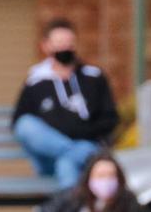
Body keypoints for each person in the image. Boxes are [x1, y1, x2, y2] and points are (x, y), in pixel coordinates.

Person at [11, 18, 119, 189]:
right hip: (51, 157)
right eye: (59, 43)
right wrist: (67, 144)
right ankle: (71, 152)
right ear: (46, 46)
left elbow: (110, 119)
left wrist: (83, 132)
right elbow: (20, 124)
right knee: (25, 124)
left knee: (66, 164)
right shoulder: (35, 81)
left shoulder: (94, 77)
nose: (65, 47)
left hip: (87, 147)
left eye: (70, 42)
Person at [39, 151, 145, 212]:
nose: (106, 181)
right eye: (100, 176)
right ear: (89, 178)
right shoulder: (72, 198)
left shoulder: (129, 202)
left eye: (111, 175)